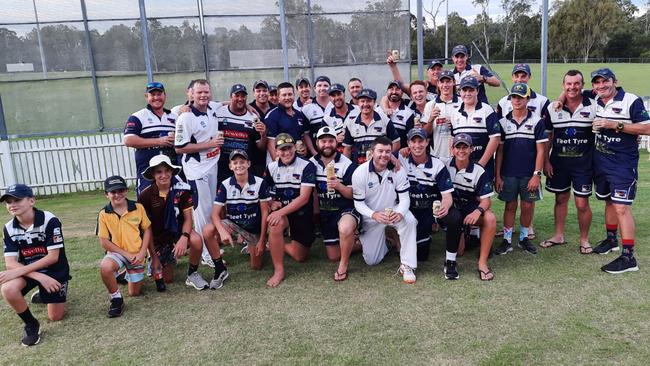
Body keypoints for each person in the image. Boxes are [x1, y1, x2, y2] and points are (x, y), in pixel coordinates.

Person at [588, 68, 650, 273]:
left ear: (615, 81)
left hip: (622, 164)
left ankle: (628, 257)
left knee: (622, 207)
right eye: (596, 83)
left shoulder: (631, 100)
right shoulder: (596, 99)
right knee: (608, 201)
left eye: (605, 81)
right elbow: (571, 90)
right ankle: (611, 240)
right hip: (601, 161)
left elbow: (647, 128)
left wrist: (616, 125)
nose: (601, 86)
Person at [0, 184, 70, 346]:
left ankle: (45, 293)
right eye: (8, 202)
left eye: (17, 200)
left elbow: (53, 257)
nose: (12, 205)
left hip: (54, 271)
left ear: (31, 201)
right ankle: (31, 324)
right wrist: (39, 277)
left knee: (55, 317)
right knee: (8, 288)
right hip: (30, 271)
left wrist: (45, 277)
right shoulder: (9, 228)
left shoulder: (49, 220)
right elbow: (10, 262)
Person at [138, 155, 218, 291]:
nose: (164, 175)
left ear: (171, 171)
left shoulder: (183, 190)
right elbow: (147, 229)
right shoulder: (145, 196)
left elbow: (188, 219)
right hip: (158, 237)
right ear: (152, 174)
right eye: (159, 172)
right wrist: (153, 253)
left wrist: (184, 237)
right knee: (167, 279)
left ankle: (192, 273)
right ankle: (159, 258)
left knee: (196, 240)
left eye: (167, 170)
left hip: (178, 231)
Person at [542, 70, 596, 254]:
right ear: (563, 85)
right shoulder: (553, 108)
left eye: (576, 83)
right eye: (569, 84)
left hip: (584, 165)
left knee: (582, 203)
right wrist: (546, 161)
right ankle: (558, 235)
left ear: (582, 85)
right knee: (560, 199)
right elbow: (548, 136)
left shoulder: (593, 105)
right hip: (559, 163)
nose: (572, 87)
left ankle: (584, 239)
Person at [398, 128, 464, 279]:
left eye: (420, 141)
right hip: (412, 211)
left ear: (427, 142)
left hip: (431, 210)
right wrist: (395, 158)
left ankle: (450, 262)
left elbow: (447, 195)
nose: (417, 145)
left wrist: (445, 206)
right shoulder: (401, 159)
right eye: (413, 141)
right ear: (408, 143)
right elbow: (382, 156)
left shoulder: (437, 164)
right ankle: (402, 239)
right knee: (422, 256)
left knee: (454, 216)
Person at [352, 136, 418, 283]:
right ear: (372, 152)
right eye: (380, 151)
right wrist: (373, 214)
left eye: (388, 151)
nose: (384, 155)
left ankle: (407, 266)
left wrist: (400, 213)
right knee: (372, 261)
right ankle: (387, 240)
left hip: (393, 210)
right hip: (372, 215)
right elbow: (358, 204)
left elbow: (405, 198)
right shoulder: (359, 172)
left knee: (409, 220)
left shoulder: (398, 169)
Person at [174, 79, 224, 268]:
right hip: (197, 170)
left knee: (212, 208)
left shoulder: (212, 108)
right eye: (199, 93)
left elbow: (226, 103)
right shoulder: (185, 117)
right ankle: (205, 253)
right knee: (202, 212)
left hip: (213, 167)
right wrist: (210, 144)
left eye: (206, 92)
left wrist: (251, 108)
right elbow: (179, 148)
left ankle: (210, 246)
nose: (203, 96)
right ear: (191, 95)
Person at [493, 83, 547, 256]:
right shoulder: (502, 122)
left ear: (528, 99)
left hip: (528, 174)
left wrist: (536, 175)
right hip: (508, 173)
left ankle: (524, 238)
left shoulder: (537, 121)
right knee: (510, 205)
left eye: (520, 97)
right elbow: (499, 151)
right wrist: (498, 175)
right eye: (514, 97)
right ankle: (507, 240)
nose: (517, 100)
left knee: (527, 205)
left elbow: (541, 150)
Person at [263, 133, 317, 287]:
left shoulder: (307, 165)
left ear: (295, 148)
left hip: (301, 213)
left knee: (300, 256)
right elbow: (267, 195)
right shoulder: (271, 167)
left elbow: (304, 198)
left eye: (289, 148)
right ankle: (279, 270)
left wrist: (280, 211)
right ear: (276, 151)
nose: (286, 153)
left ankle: (275, 244)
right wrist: (272, 204)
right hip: (284, 214)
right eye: (282, 149)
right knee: (275, 224)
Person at [205, 150, 270, 272]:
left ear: (248, 164)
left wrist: (262, 240)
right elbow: (214, 214)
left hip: (253, 229)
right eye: (235, 162)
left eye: (242, 162)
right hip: (234, 225)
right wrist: (222, 232)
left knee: (256, 266)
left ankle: (257, 246)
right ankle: (218, 265)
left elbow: (265, 212)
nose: (239, 165)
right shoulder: (225, 184)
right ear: (230, 166)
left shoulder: (259, 182)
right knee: (208, 230)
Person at [309, 126, 360, 280]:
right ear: (317, 143)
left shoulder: (347, 164)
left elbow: (353, 195)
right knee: (333, 255)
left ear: (336, 142)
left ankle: (343, 266)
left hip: (345, 209)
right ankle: (363, 241)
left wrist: (339, 185)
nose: (327, 144)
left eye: (330, 141)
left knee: (344, 228)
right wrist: (316, 214)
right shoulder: (311, 164)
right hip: (326, 213)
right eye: (323, 141)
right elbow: (312, 192)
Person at [96, 176, 152, 318]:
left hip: (137, 254)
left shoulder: (138, 208)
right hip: (118, 253)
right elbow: (104, 241)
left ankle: (123, 275)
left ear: (126, 191)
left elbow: (147, 230)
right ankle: (116, 298)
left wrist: (142, 253)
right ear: (106, 194)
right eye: (112, 192)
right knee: (105, 267)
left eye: (120, 190)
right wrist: (126, 255)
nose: (117, 194)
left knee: (134, 293)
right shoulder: (104, 213)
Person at [446, 134, 496, 281]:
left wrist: (477, 211)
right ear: (452, 149)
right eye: (458, 147)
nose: (461, 150)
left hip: (470, 209)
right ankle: (468, 233)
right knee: (460, 251)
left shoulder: (479, 171)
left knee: (490, 218)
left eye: (465, 147)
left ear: (471, 149)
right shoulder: (444, 165)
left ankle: (482, 263)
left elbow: (486, 201)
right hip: (453, 211)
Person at [123, 82, 177, 196]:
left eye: (159, 94)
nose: (156, 97)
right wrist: (159, 141)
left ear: (165, 96)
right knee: (147, 202)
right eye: (153, 95)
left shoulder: (173, 116)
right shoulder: (138, 116)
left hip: (170, 167)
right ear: (146, 96)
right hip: (147, 169)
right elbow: (128, 140)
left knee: (174, 202)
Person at [450, 76, 500, 182]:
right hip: (461, 167)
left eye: (471, 90)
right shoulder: (455, 113)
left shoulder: (487, 110)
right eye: (464, 90)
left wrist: (480, 165)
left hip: (483, 166)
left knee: (482, 198)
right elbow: (452, 140)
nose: (467, 93)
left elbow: (495, 139)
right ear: (460, 91)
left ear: (477, 91)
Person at [216, 84, 267, 181]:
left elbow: (261, 147)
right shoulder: (219, 112)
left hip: (243, 167)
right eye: (237, 96)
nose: (240, 99)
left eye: (243, 96)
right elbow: (205, 105)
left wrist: (263, 134)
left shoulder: (253, 117)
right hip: (222, 166)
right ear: (231, 97)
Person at [342, 89, 400, 165]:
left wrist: (386, 156)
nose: (365, 104)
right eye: (362, 101)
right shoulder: (351, 123)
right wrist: (347, 168)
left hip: (380, 167)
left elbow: (396, 142)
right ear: (358, 103)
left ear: (374, 103)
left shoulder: (384, 120)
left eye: (368, 101)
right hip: (358, 168)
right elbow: (347, 149)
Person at [265, 82, 311, 162]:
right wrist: (279, 163)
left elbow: (303, 136)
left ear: (294, 95)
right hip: (281, 163)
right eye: (284, 95)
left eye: (290, 94)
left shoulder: (299, 114)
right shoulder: (272, 116)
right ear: (278, 97)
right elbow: (270, 144)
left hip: (298, 162)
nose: (287, 97)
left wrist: (304, 148)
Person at [422, 70, 460, 159]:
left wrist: (455, 125)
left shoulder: (462, 102)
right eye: (442, 82)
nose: (445, 85)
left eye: (448, 82)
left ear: (454, 82)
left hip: (458, 155)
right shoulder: (430, 105)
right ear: (438, 84)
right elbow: (425, 134)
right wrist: (431, 119)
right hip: (436, 155)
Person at [302, 76, 334, 156]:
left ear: (330, 88)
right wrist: (313, 152)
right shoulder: (306, 108)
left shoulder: (335, 105)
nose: (322, 88)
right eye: (319, 85)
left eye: (325, 86)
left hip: (334, 152)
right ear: (314, 88)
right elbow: (306, 134)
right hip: (315, 153)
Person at [381, 80, 415, 148]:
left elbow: (410, 138)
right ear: (387, 92)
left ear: (402, 92)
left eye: (397, 89)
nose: (394, 92)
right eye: (391, 89)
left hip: (400, 155)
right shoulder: (378, 111)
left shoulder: (408, 113)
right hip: (380, 155)